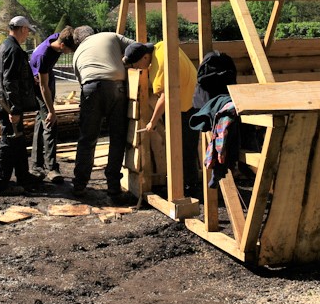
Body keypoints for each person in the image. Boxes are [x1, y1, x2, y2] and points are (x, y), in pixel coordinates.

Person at [71, 30, 138, 203]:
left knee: (87, 138)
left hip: (90, 89)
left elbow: (81, 81)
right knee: (117, 138)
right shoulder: (111, 36)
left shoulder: (77, 53)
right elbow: (137, 46)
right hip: (116, 86)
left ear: (78, 40)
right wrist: (126, 62)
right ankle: (114, 188)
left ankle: (79, 185)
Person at [128, 42, 201, 197]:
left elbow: (165, 98)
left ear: (145, 57)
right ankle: (185, 185)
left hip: (188, 107)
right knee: (184, 148)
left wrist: (152, 122)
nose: (137, 68)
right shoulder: (161, 46)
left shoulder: (160, 65)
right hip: (193, 99)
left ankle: (190, 189)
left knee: (184, 149)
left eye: (137, 63)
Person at [0, 16, 43, 196]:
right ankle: (1, 184)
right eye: (27, 30)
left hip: (8, 103)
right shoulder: (13, 49)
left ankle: (23, 177)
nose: (28, 34)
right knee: (8, 143)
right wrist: (14, 109)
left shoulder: (7, 46)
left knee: (18, 142)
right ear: (22, 29)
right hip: (8, 106)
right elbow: (10, 81)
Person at [29, 25, 77, 184]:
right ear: (62, 45)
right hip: (39, 83)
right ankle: (51, 168)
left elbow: (68, 29)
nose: (70, 52)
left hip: (47, 75)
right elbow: (43, 87)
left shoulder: (59, 37)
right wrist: (51, 111)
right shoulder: (44, 56)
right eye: (70, 50)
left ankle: (36, 165)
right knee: (50, 123)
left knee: (40, 121)